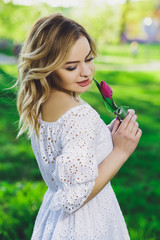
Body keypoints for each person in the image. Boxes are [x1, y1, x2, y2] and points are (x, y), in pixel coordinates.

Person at [16, 13, 142, 240]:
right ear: (48, 66)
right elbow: (76, 196)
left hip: (55, 220)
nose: (86, 71)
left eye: (89, 58)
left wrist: (105, 133)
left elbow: (72, 147)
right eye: (72, 66)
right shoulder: (79, 116)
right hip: (87, 224)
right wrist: (121, 151)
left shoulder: (41, 103)